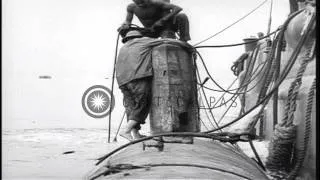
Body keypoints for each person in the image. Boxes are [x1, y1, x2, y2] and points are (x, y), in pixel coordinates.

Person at [116, 30, 159, 141]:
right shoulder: (142, 41)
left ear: (127, 39)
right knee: (142, 104)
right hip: (137, 78)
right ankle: (126, 131)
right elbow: (164, 41)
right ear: (138, 37)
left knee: (131, 107)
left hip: (122, 82)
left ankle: (135, 135)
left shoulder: (123, 48)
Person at [117, 0, 191, 42]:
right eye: (137, 2)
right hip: (149, 30)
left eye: (142, 1)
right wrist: (125, 25)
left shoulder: (157, 3)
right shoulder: (131, 7)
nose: (140, 3)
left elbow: (177, 8)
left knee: (182, 16)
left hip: (163, 28)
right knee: (125, 31)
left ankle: (184, 40)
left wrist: (162, 20)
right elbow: (128, 21)